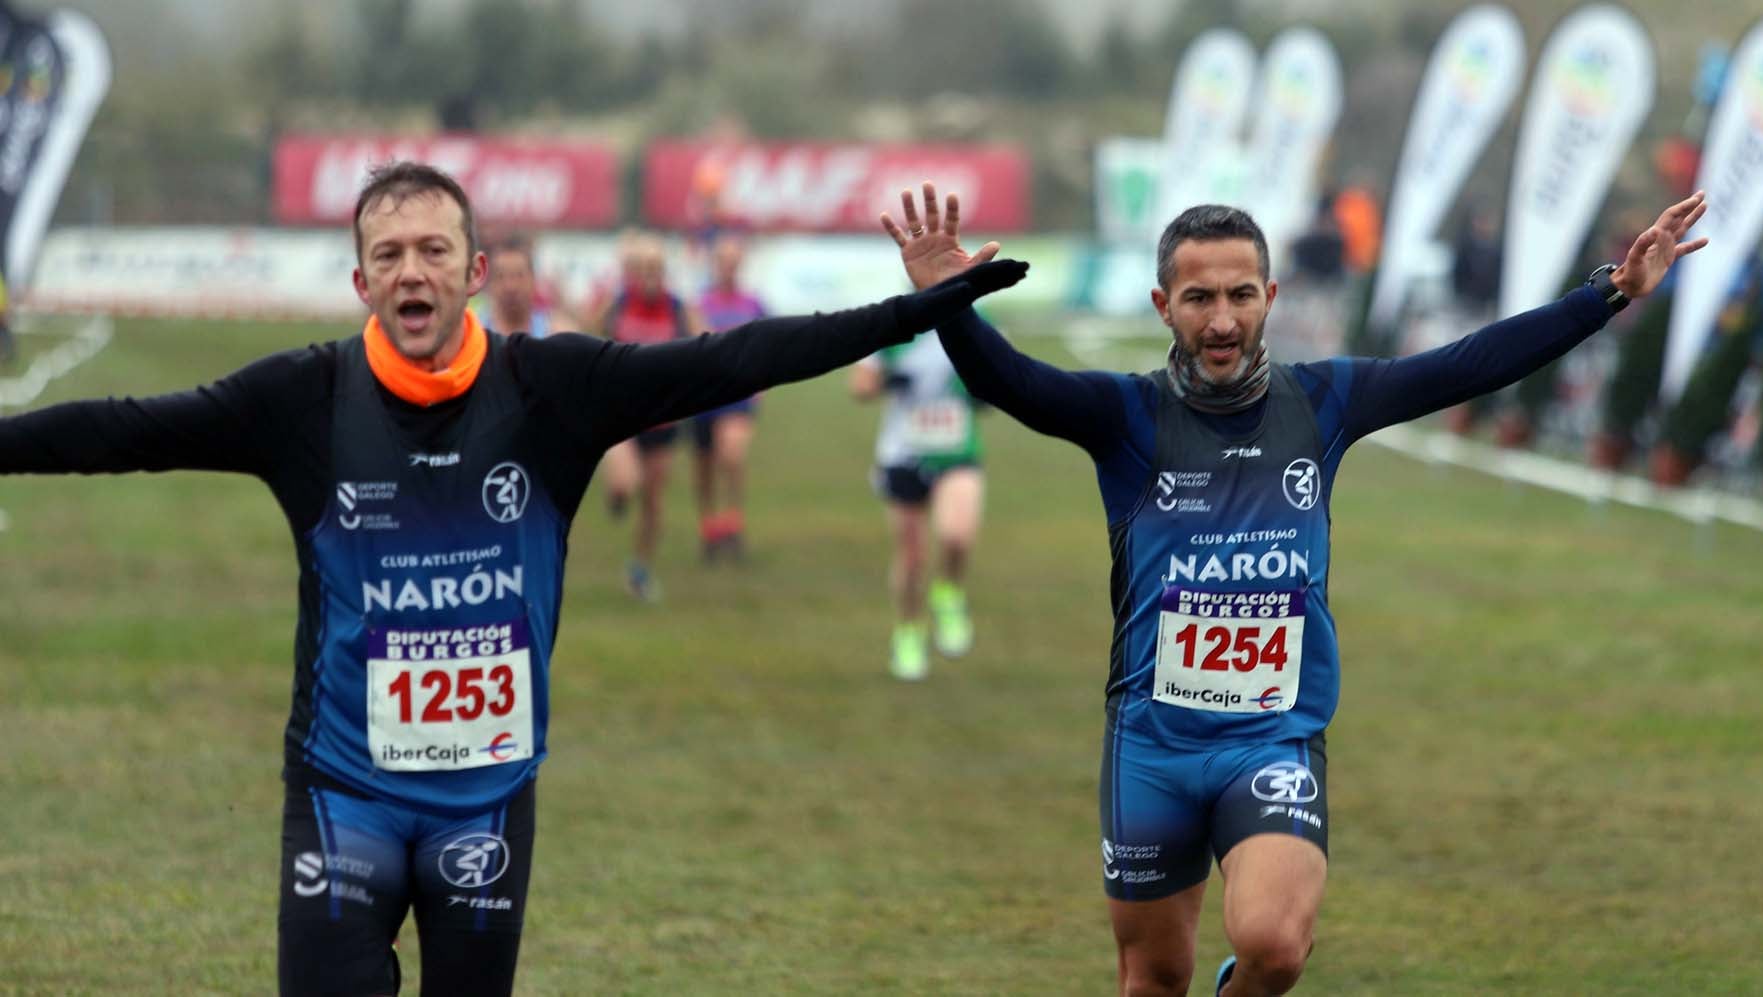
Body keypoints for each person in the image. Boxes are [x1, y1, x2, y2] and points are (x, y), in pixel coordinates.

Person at [0, 162, 1026, 996]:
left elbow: (737, 358)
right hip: (341, 794)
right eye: (389, 253)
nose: (413, 270)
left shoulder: (553, 390)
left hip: (485, 804)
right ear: (361, 282)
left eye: (434, 250)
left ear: (475, 268)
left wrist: (911, 309)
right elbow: (123, 429)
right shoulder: (301, 399)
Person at [880, 181, 1704, 996]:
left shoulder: (1323, 403)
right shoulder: (1123, 415)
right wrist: (950, 302)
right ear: (1163, 304)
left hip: (1272, 739)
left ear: (1270, 295)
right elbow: (1011, 382)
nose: (1224, 319)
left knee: (1274, 948)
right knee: (1153, 978)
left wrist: (1610, 294)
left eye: (1241, 294)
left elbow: (1468, 364)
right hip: (1153, 748)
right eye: (1199, 298)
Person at [848, 319, 984, 680]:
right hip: (903, 454)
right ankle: (909, 631)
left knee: (957, 535)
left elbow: (1004, 379)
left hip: (957, 450)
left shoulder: (976, 323)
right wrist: (886, 381)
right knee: (912, 558)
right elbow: (859, 385)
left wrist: (984, 392)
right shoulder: (896, 325)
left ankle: (948, 591)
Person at [592, 233, 704, 600]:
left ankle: (640, 569)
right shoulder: (618, 303)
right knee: (626, 483)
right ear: (633, 272)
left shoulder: (677, 308)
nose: (650, 275)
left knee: (654, 501)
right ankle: (618, 494)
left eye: (656, 268)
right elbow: (587, 336)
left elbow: (705, 345)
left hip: (663, 419)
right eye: (643, 268)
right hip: (621, 415)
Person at [690, 233, 766, 561]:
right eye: (723, 261)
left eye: (734, 262)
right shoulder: (699, 304)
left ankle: (733, 521)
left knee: (731, 455)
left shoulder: (753, 304)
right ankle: (710, 525)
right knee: (705, 465)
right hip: (703, 396)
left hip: (739, 396)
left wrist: (762, 383)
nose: (729, 268)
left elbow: (769, 345)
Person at [481, 233, 578, 339]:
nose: (510, 286)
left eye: (519, 275)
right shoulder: (474, 334)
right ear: (489, 283)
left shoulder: (557, 334)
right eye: (501, 276)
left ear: (533, 280)